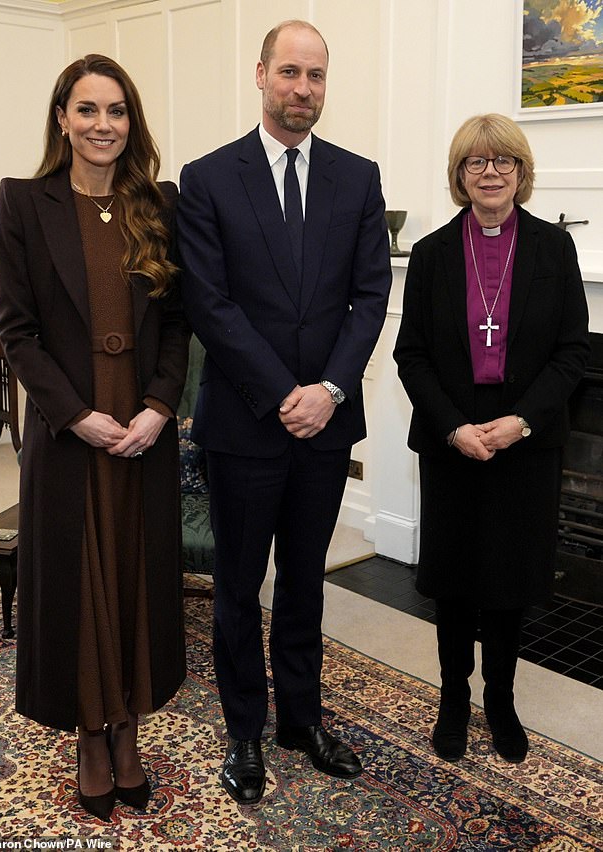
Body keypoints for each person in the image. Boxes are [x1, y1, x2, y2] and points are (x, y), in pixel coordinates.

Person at [177, 19, 391, 805]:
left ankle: (301, 718)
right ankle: (244, 730)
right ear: (261, 73)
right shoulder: (206, 178)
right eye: (291, 72)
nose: (304, 88)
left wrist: (327, 391)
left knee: (305, 580)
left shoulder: (358, 177)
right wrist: (282, 395)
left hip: (326, 425)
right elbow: (210, 303)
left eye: (318, 77)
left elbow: (370, 298)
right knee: (239, 586)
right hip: (243, 423)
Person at [0, 54, 190, 821]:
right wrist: (76, 414)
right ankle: (88, 734)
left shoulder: (157, 205)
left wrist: (158, 407)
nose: (103, 125)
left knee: (135, 572)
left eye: (117, 112)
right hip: (69, 428)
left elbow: (177, 324)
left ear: (131, 123)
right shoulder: (22, 202)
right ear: (62, 119)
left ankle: (129, 727)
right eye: (88, 110)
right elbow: (19, 330)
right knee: (80, 580)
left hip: (142, 424)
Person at [393, 114, 589, 764]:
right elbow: (411, 354)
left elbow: (570, 354)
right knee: (455, 580)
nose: (491, 172)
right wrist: (453, 426)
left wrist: (522, 420)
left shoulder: (553, 251)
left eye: (503, 161)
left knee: (509, 580)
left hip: (524, 438)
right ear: (459, 176)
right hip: (454, 436)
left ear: (522, 172)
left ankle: (501, 702)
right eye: (476, 162)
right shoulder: (430, 255)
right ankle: (454, 698)